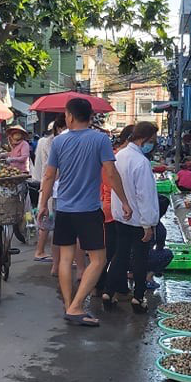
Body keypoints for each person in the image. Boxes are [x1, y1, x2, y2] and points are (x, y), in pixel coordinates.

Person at [38, 98, 131, 327]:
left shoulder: (59, 142)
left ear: (69, 116)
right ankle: (76, 306)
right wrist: (125, 202)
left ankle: (70, 305)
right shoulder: (100, 139)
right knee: (98, 259)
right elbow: (110, 173)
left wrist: (42, 204)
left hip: (64, 209)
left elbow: (49, 176)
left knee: (65, 258)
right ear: (89, 117)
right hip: (88, 210)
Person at [106, 121, 159, 313]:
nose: (152, 144)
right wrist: (148, 223)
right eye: (152, 140)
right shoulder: (141, 162)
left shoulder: (120, 156)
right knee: (140, 258)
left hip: (120, 215)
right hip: (137, 218)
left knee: (120, 255)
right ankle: (138, 297)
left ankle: (108, 292)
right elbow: (144, 195)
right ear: (144, 139)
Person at [96, 125, 133, 307]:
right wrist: (126, 203)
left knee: (108, 251)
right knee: (118, 252)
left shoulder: (113, 155)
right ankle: (114, 289)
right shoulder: (118, 157)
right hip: (113, 207)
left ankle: (102, 286)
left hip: (104, 205)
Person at [31, 115, 66, 263]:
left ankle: (49, 257)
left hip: (49, 183)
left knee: (50, 223)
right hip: (51, 184)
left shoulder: (46, 141)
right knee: (49, 221)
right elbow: (50, 169)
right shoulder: (52, 143)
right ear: (59, 128)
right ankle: (41, 252)